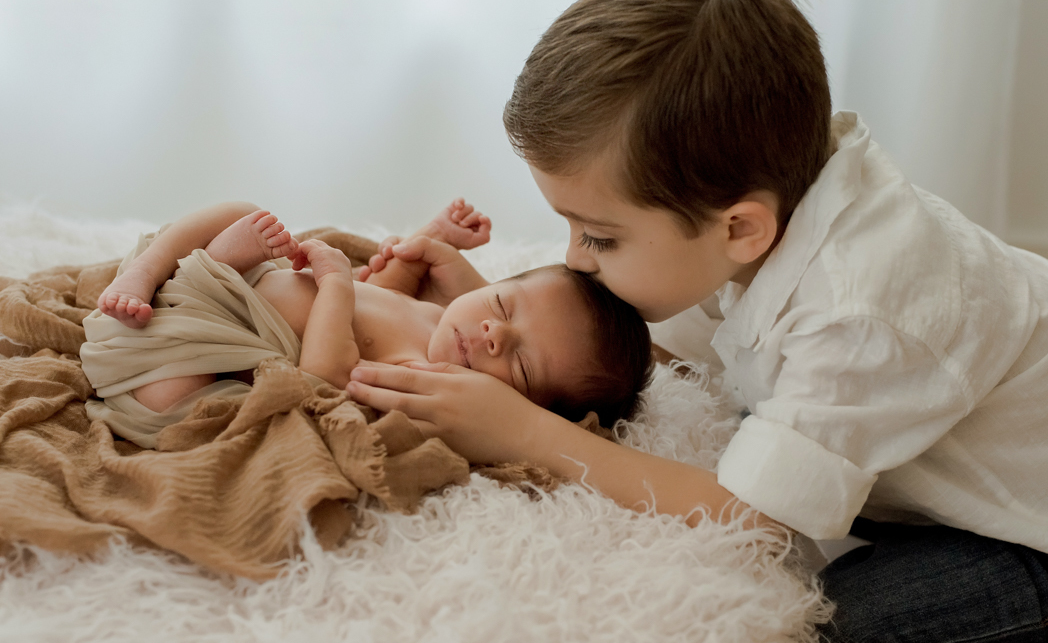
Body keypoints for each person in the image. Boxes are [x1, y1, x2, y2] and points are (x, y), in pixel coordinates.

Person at [346, 0, 1048, 642]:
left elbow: (754, 519)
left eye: (600, 237)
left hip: (1040, 544)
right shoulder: (753, 208)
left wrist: (522, 428)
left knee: (816, 620)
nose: (574, 259)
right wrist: (500, 315)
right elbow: (657, 359)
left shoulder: (860, 314)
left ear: (741, 230)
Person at [80, 199, 651, 449]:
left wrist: (333, 285)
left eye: (520, 364)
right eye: (501, 307)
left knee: (182, 412)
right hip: (223, 289)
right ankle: (145, 273)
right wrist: (434, 240)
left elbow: (325, 377)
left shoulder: (424, 374)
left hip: (196, 347)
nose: (493, 335)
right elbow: (380, 293)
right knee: (239, 211)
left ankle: (204, 272)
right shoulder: (436, 318)